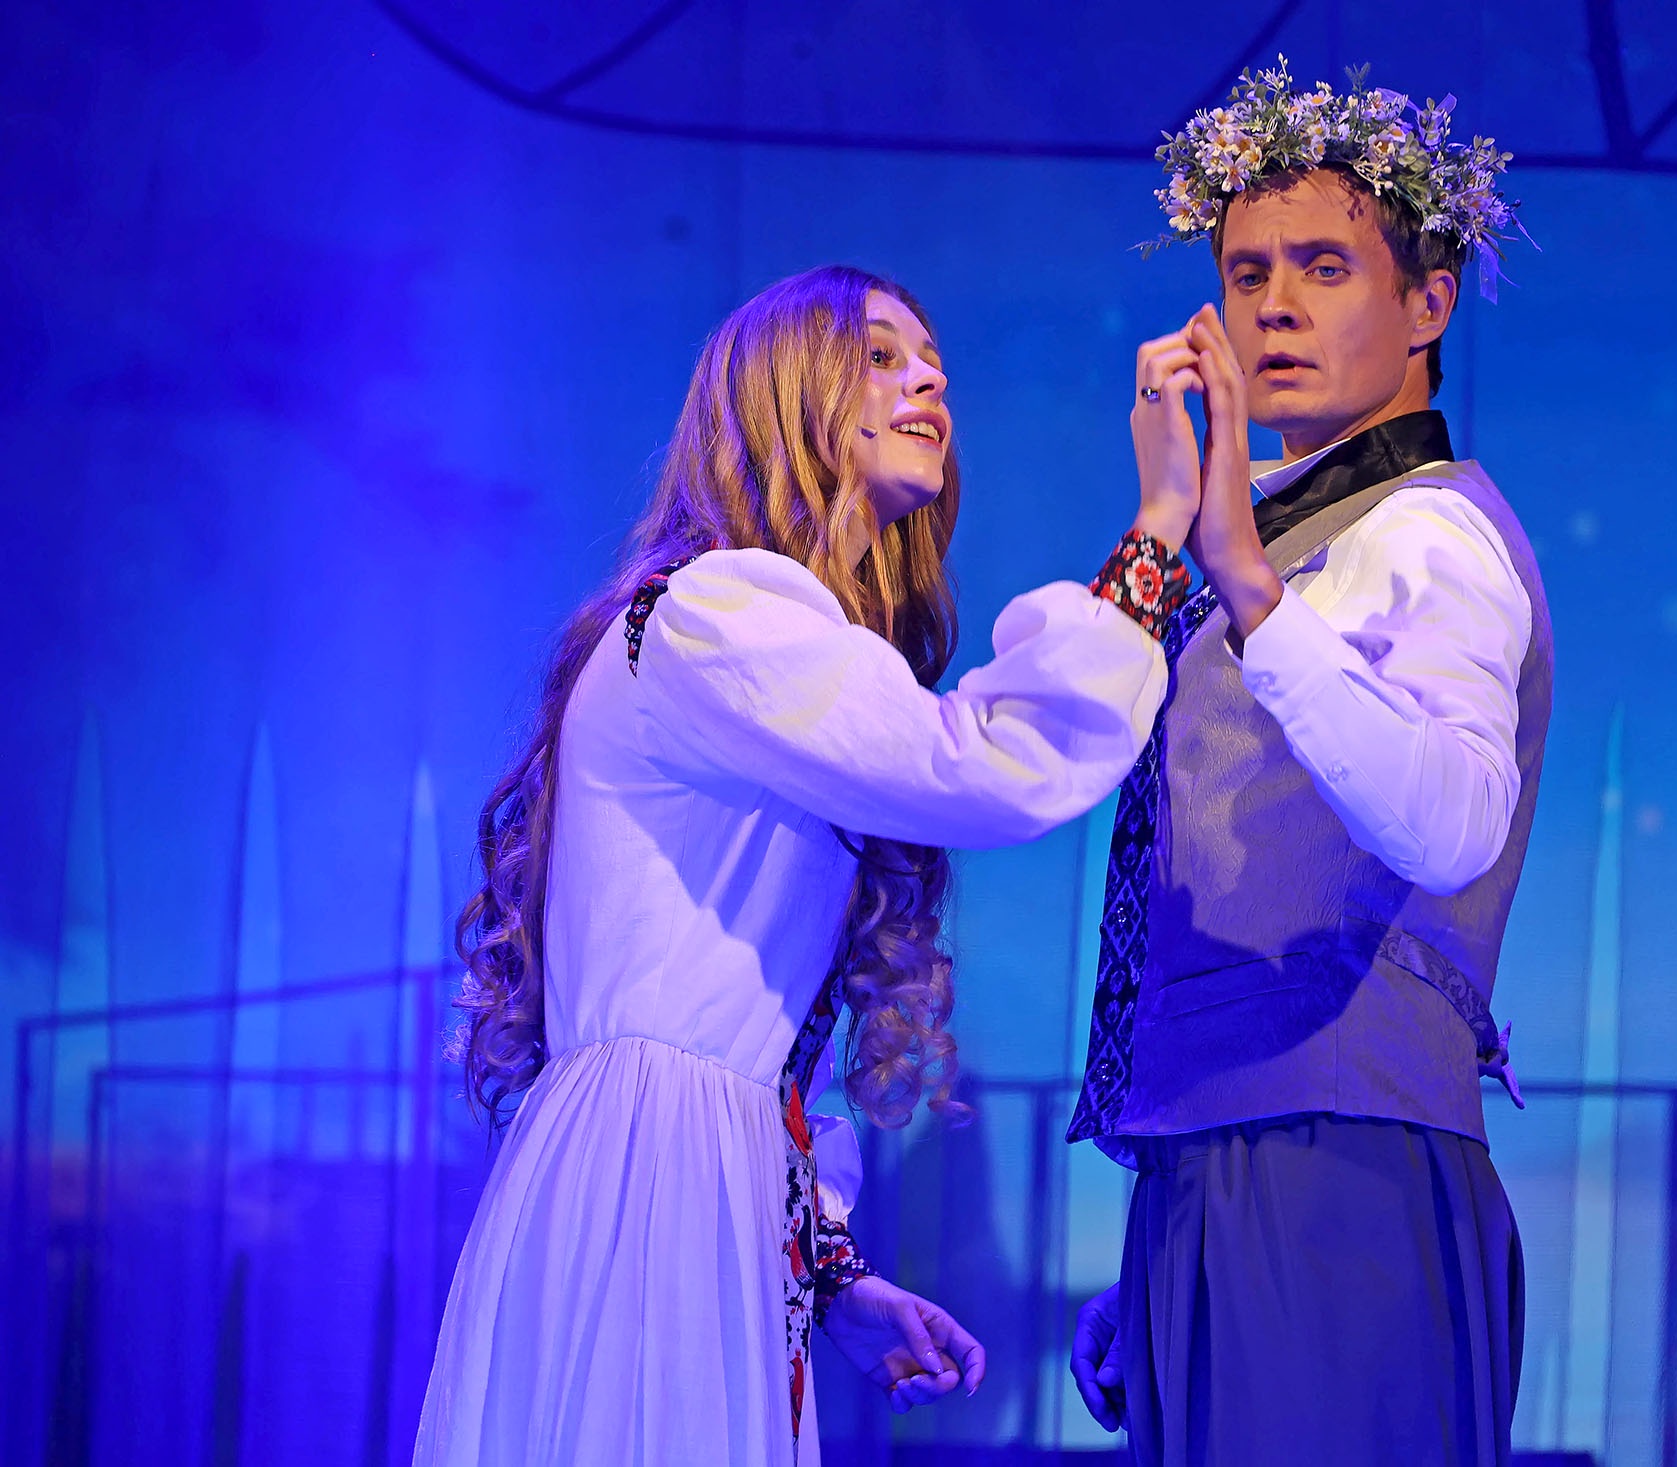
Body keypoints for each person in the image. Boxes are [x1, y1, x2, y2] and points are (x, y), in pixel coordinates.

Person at [413, 264, 1214, 1467]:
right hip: (653, 1182)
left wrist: (828, 1277)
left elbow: (755, 1023)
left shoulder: (759, 640)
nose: (928, 381)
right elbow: (989, 766)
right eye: (881, 357)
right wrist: (1158, 531)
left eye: (932, 363)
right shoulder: (715, 615)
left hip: (697, 1184)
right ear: (787, 396)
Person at [1068, 61, 1552, 1465]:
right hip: (1234, 1160)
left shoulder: (1426, 532)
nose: (1274, 305)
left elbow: (1452, 822)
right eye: (1248, 272)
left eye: (1325, 269)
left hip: (1336, 1158)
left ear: (1427, 304)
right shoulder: (1279, 535)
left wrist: (1247, 585)